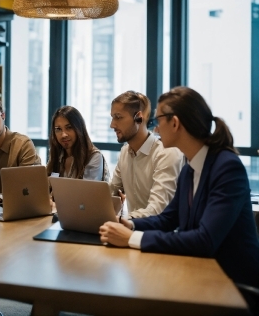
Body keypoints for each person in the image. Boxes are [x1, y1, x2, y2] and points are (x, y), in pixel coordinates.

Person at [99, 86, 259, 312]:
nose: (154, 127)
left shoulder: (226, 167)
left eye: (158, 121)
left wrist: (132, 239)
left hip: (233, 286)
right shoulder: (191, 168)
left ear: (174, 123)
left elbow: (205, 240)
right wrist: (131, 224)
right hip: (199, 273)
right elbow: (167, 218)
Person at [109, 90, 184, 218]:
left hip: (160, 234)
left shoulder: (166, 153)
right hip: (133, 230)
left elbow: (158, 209)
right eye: (112, 117)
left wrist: (122, 220)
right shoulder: (125, 152)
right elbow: (111, 193)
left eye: (118, 117)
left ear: (138, 117)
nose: (112, 125)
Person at [47, 106, 109, 181]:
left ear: (79, 129)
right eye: (58, 129)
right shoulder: (57, 155)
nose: (63, 135)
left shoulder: (93, 156)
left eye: (69, 127)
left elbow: (87, 191)